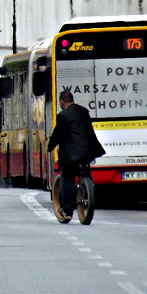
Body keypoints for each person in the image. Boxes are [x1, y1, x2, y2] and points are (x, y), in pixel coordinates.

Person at [47, 91, 105, 221]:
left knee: (68, 178)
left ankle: (67, 211)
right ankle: (88, 187)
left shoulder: (63, 116)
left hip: (72, 155)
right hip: (88, 152)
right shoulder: (84, 111)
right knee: (85, 172)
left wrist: (50, 146)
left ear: (62, 102)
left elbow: (57, 135)